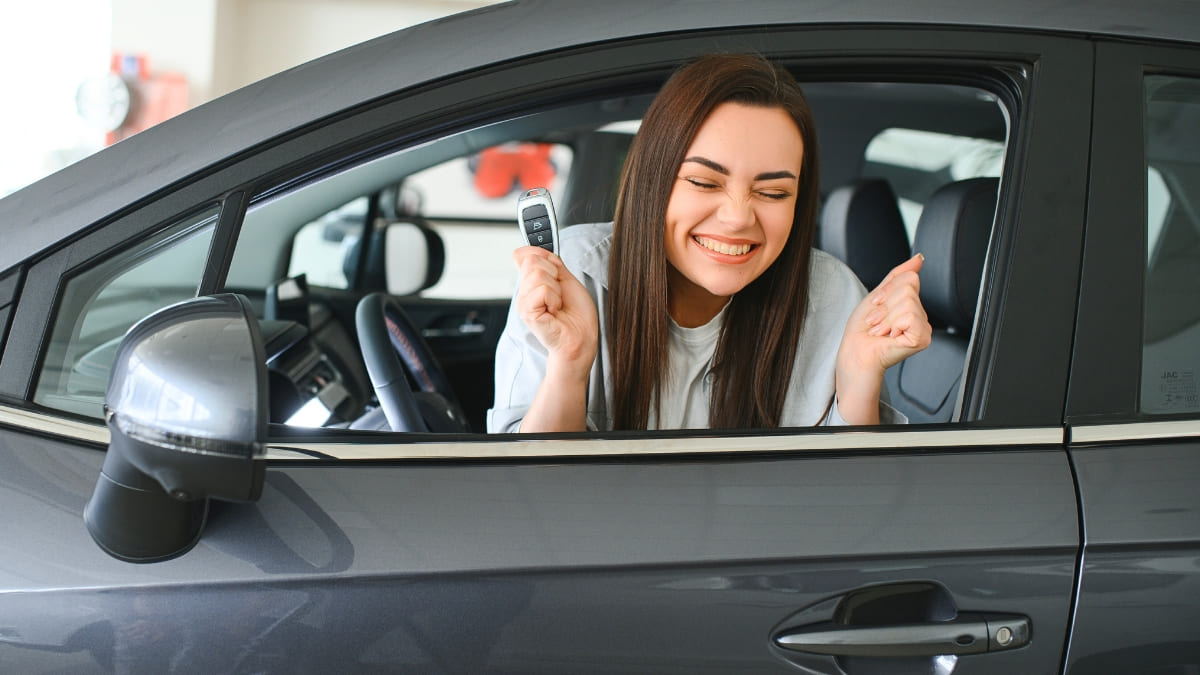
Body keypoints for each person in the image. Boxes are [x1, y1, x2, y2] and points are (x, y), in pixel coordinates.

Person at [488, 53, 930, 433]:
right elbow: (528, 494)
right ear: (652, 182)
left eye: (774, 193)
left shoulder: (833, 297)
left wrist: (858, 381)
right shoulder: (573, 275)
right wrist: (569, 364)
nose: (738, 217)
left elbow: (852, 509)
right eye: (703, 182)